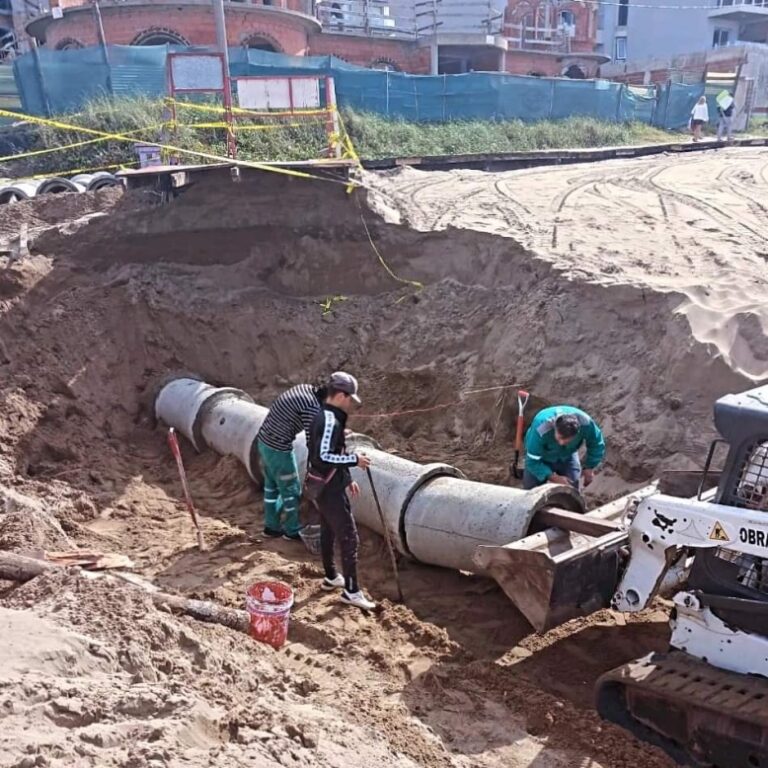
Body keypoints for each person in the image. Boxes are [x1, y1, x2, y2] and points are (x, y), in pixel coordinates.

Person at [307, 371, 375, 611]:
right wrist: (355, 460)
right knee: (349, 537)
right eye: (349, 398)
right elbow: (323, 455)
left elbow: (333, 450)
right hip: (328, 488)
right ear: (340, 395)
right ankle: (352, 591)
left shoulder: (327, 416)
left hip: (327, 485)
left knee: (328, 531)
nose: (351, 404)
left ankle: (331, 577)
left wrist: (346, 479)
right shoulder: (328, 419)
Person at [257, 382, 325, 541]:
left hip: (264, 442)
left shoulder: (305, 388)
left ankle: (271, 527)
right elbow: (313, 442)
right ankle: (292, 530)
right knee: (291, 489)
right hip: (279, 449)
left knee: (272, 487)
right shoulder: (312, 409)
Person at [523, 406, 605, 491]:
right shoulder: (541, 427)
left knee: (572, 489)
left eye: (566, 440)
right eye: (559, 438)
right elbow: (532, 461)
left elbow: (597, 444)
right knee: (530, 491)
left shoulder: (586, 424)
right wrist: (554, 477)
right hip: (541, 458)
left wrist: (589, 466)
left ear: (577, 433)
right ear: (555, 428)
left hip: (568, 455)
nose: (561, 443)